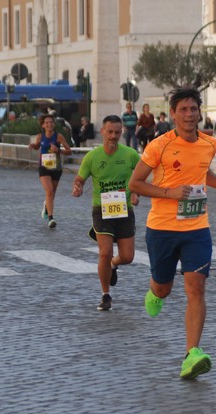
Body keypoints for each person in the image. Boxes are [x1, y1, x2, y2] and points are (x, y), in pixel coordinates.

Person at [128, 87, 216, 380]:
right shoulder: (160, 145)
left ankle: (192, 353)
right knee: (164, 288)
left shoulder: (209, 143)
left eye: (194, 109)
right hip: (162, 229)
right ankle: (155, 292)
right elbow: (136, 183)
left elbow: (202, 171)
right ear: (174, 113)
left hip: (197, 228)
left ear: (199, 111)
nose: (189, 114)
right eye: (184, 110)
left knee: (196, 287)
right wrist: (169, 192)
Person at [72, 115, 140, 311]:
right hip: (101, 209)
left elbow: (141, 175)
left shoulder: (130, 155)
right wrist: (77, 187)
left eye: (117, 132)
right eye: (110, 132)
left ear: (122, 133)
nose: (113, 136)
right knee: (105, 252)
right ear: (102, 132)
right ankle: (105, 295)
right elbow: (80, 178)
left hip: (124, 209)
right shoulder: (92, 157)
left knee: (127, 257)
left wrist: (135, 192)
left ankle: (113, 264)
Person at [28, 113, 71, 229]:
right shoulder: (40, 136)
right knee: (50, 191)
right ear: (43, 125)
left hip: (56, 168)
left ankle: (46, 205)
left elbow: (69, 151)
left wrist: (58, 150)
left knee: (52, 194)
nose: (49, 124)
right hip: (44, 167)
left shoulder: (58, 136)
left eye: (51, 122)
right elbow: (38, 146)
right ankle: (51, 218)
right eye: (47, 123)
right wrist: (33, 145)